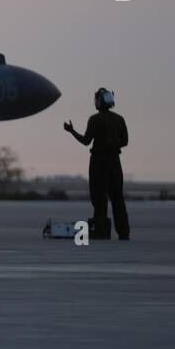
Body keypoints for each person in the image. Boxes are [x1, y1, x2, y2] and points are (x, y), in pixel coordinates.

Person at [64, 88, 129, 240]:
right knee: (118, 198)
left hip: (99, 162)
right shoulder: (119, 119)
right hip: (115, 161)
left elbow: (86, 141)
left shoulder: (94, 119)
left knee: (99, 199)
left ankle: (101, 231)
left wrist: (72, 131)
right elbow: (125, 141)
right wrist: (113, 144)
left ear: (99, 101)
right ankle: (124, 232)